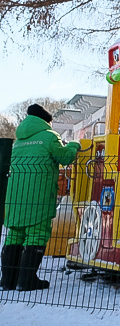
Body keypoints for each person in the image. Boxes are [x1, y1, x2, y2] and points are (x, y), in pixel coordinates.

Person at [1, 104, 81, 291]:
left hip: (15, 196)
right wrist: (73, 145)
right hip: (38, 195)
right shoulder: (49, 137)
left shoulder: (18, 141)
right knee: (36, 234)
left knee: (15, 235)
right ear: (46, 121)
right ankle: (27, 280)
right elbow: (65, 158)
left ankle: (7, 281)